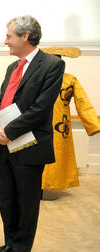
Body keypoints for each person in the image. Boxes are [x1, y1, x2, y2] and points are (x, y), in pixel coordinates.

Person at [0, 16, 65, 252]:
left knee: (26, 200)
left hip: (28, 144)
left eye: (9, 36)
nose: (5, 41)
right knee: (7, 197)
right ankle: (10, 241)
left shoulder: (52, 65)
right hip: (2, 143)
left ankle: (22, 247)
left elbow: (41, 108)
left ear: (25, 36)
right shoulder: (13, 67)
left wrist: (8, 131)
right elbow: (0, 101)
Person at [40, 47, 100, 194]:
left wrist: (93, 124)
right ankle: (34, 186)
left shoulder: (69, 79)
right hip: (38, 122)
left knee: (57, 155)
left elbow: (82, 101)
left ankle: (51, 186)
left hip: (60, 125)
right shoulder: (38, 78)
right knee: (37, 154)